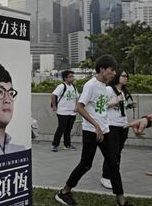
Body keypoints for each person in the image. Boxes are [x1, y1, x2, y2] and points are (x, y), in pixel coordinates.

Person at [55, 55, 133, 206]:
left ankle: (121, 201)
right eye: (111, 70)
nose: (114, 73)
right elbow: (79, 107)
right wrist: (95, 125)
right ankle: (64, 192)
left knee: (113, 163)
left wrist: (104, 122)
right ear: (102, 69)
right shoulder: (91, 85)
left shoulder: (105, 86)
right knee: (86, 164)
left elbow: (100, 108)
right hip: (91, 131)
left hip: (105, 130)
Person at [100, 70, 135, 189]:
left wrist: (129, 105)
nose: (126, 78)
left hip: (123, 125)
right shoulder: (109, 89)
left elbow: (120, 107)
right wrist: (112, 102)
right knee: (111, 153)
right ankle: (105, 177)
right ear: (117, 77)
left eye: (127, 76)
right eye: (124, 76)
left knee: (118, 152)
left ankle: (114, 175)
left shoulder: (123, 91)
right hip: (112, 125)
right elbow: (100, 105)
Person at [51, 70, 79, 152]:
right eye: (70, 76)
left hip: (72, 112)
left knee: (68, 129)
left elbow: (77, 97)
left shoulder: (74, 87)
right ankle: (55, 145)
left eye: (72, 76)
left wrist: (76, 106)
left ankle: (67, 145)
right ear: (65, 78)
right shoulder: (62, 86)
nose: (72, 78)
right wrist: (54, 106)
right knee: (61, 128)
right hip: (62, 112)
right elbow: (53, 95)